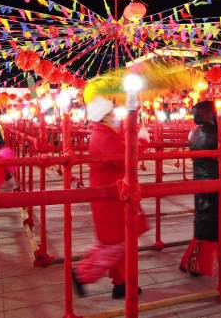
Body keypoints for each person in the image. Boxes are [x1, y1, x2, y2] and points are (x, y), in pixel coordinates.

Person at [72, 96, 149, 299]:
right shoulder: (104, 137)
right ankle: (82, 274)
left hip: (113, 195)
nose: (116, 116)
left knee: (120, 242)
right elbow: (126, 160)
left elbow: (121, 143)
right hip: (111, 199)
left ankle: (122, 283)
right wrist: (141, 142)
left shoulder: (104, 133)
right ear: (104, 117)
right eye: (112, 113)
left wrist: (133, 127)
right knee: (114, 244)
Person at [179, 100, 221, 277]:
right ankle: (199, 263)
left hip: (202, 179)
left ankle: (200, 257)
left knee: (206, 219)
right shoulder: (214, 133)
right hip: (216, 179)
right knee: (214, 221)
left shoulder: (195, 132)